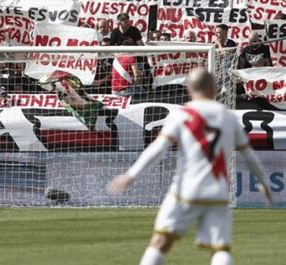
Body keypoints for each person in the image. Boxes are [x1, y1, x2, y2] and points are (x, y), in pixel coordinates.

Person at [107, 68, 273, 265]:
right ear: (213, 88)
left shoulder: (182, 115)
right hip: (218, 192)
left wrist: (131, 175)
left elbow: (158, 148)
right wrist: (263, 183)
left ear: (188, 88)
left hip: (186, 189)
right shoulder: (228, 117)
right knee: (220, 249)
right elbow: (249, 156)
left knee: (160, 240)